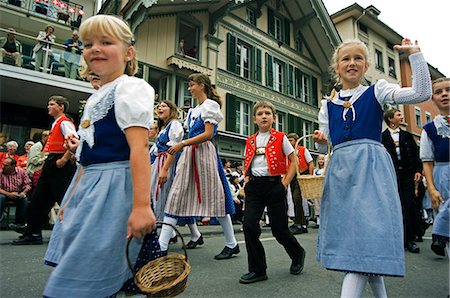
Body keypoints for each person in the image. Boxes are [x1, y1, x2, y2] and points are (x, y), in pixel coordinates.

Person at [42, 15, 159, 297]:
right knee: (90, 258)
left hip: (114, 185)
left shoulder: (130, 87)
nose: (95, 48)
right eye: (88, 43)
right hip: (88, 186)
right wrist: (69, 201)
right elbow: (85, 160)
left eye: (106, 42)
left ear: (128, 53)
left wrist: (142, 206)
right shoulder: (96, 96)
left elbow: (139, 147)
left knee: (92, 263)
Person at [313, 38, 432, 297]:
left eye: (358, 58)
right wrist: (322, 142)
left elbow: (422, 93)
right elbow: (326, 147)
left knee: (363, 241)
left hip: (371, 169)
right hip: (341, 173)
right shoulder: (327, 104)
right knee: (359, 246)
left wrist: (415, 56)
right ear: (337, 66)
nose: (352, 63)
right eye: (346, 59)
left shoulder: (376, 90)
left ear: (366, 65)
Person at [160, 73, 239, 259]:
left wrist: (182, 144)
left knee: (215, 198)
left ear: (202, 85)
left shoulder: (210, 106)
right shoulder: (193, 111)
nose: (189, 88)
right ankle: (161, 245)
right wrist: (183, 146)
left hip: (203, 154)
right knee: (176, 194)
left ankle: (232, 243)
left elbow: (208, 134)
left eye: (192, 84)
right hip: (189, 155)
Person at [239, 101, 306, 284]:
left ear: (273, 118)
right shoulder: (250, 140)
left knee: (279, 229)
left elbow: (294, 161)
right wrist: (246, 183)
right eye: (260, 113)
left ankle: (297, 253)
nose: (264, 116)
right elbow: (248, 164)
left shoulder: (281, 137)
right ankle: (258, 270)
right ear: (254, 119)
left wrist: (284, 183)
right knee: (249, 226)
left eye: (267, 113)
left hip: (274, 185)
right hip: (254, 186)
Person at [11, 96, 77, 243]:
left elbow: (74, 141)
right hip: (52, 161)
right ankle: (33, 232)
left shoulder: (65, 122)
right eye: (49, 104)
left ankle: (78, 232)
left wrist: (63, 160)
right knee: (39, 198)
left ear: (61, 107)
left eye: (52, 104)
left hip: (59, 162)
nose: (48, 106)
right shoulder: (56, 123)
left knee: (65, 198)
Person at [152, 100, 201, 247]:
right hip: (161, 164)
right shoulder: (165, 127)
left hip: (169, 164)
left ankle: (165, 239)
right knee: (170, 200)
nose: (160, 108)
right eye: (158, 106)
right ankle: (189, 234)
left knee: (170, 199)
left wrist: (165, 169)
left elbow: (173, 149)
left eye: (164, 106)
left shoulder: (175, 125)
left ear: (171, 109)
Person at [382, 108, 423, 253]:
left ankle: (410, 239)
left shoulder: (406, 135)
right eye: (398, 114)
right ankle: (397, 239)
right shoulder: (382, 137)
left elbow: (416, 154)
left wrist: (418, 170)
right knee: (393, 207)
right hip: (391, 176)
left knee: (409, 204)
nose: (401, 116)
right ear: (390, 119)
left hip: (407, 175)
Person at [419, 77, 450, 257]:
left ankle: (439, 233)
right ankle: (440, 233)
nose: (444, 94)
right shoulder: (430, 129)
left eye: (448, 90)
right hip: (443, 175)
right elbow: (427, 161)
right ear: (433, 99)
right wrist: (431, 188)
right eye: (438, 92)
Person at [286, 133, 312, 235]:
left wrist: (310, 177)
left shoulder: (303, 150)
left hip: (302, 175)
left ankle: (299, 224)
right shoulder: (288, 153)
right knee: (294, 199)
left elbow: (310, 163)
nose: (289, 142)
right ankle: (301, 223)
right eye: (288, 140)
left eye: (291, 140)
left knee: (297, 199)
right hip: (293, 177)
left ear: (296, 141)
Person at [0, 157, 30, 227]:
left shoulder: (21, 172)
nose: (3, 167)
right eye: (3, 164)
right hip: (4, 194)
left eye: (6, 165)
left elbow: (28, 184)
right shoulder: (0, 173)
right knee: (1, 198)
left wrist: (24, 192)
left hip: (17, 194)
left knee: (24, 200)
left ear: (13, 166)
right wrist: (9, 194)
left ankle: (19, 223)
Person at [312, 154, 326, 228]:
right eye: (320, 159)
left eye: (322, 159)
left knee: (324, 204)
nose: (321, 161)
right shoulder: (315, 170)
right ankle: (318, 221)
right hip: (317, 189)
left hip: (324, 188)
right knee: (317, 204)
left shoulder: (326, 169)